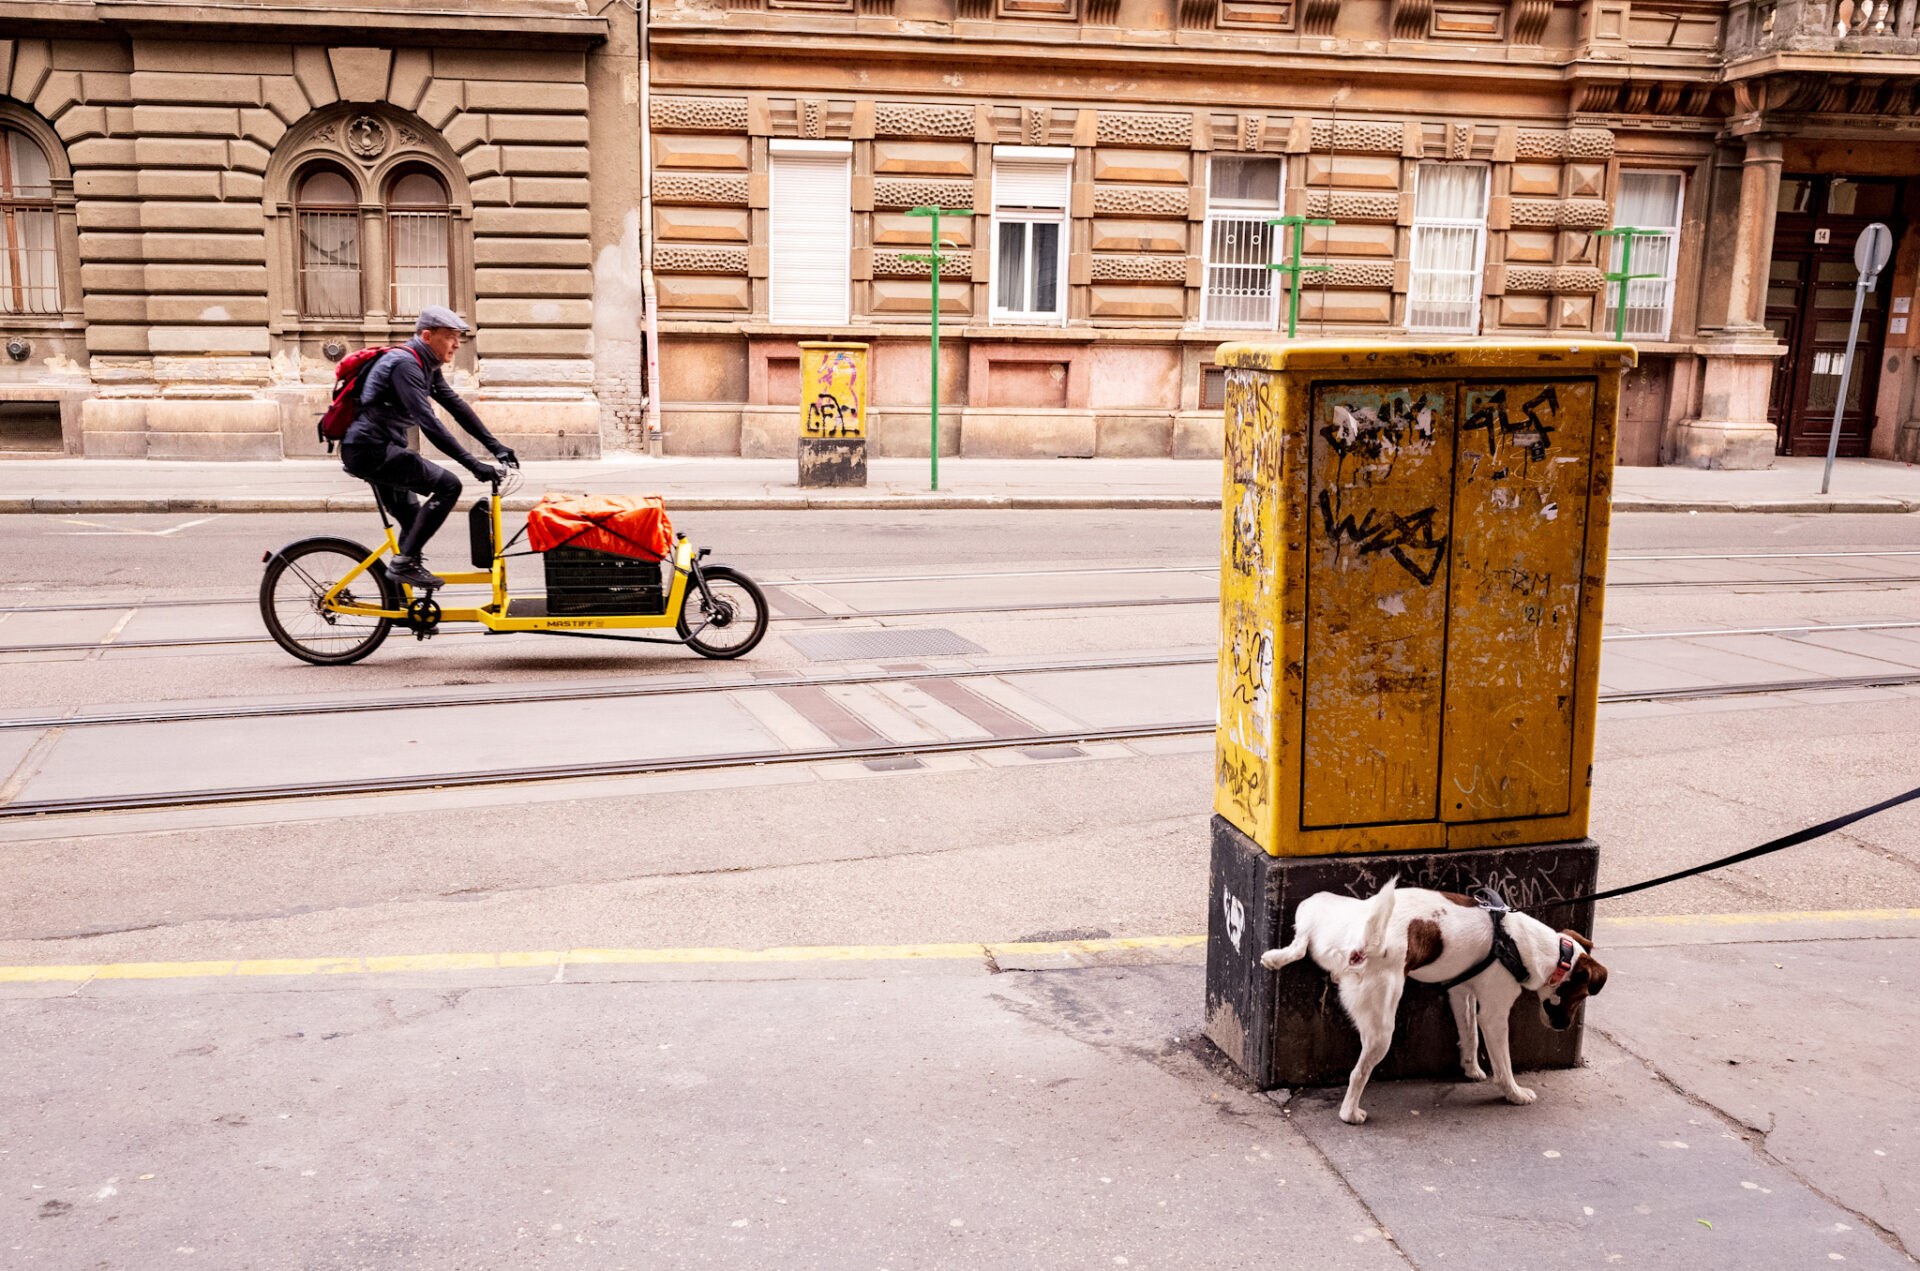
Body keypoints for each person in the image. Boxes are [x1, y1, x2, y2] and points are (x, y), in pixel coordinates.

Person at [339, 306, 517, 590]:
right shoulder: (405, 365)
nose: (457, 344)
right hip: (371, 450)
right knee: (449, 486)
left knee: (413, 521)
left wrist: (496, 446)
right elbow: (429, 423)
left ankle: (402, 601)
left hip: (378, 449)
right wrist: (473, 465)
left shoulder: (426, 365)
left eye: (459, 337)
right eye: (450, 336)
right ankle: (405, 564)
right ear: (427, 335)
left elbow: (456, 406)